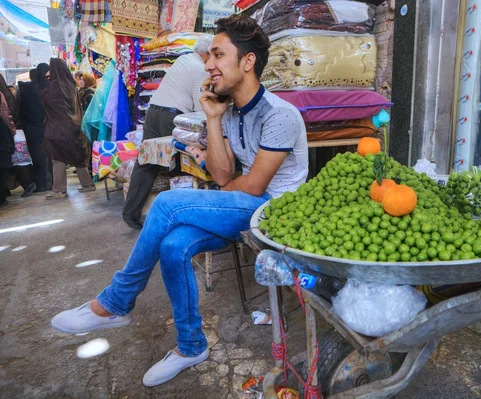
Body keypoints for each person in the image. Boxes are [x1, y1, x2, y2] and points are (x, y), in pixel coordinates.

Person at [51, 15, 308, 387]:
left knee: (168, 204)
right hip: (245, 205)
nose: (208, 65)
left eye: (218, 55)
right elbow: (222, 177)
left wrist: (231, 186)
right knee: (173, 246)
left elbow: (253, 188)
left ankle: (116, 302)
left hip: (277, 213)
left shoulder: (279, 114)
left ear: (247, 62)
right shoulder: (230, 111)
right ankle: (191, 346)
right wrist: (214, 118)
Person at [122, 34, 214, 229]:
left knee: (146, 161)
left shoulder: (183, 59)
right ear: (206, 54)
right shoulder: (201, 69)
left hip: (154, 112)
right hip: (172, 116)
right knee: (182, 163)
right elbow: (200, 108)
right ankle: (178, 216)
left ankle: (131, 214)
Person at [42, 58, 95, 199]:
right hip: (74, 127)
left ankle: (59, 190)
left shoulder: (52, 89)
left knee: (57, 158)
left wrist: (47, 81)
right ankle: (87, 184)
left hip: (57, 130)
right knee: (77, 156)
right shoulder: (71, 86)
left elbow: (46, 103)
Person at [0, 74, 36, 198]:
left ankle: (27, 184)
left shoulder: (3, 97)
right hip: (16, 132)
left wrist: (11, 132)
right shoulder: (8, 96)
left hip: (12, 133)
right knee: (17, 161)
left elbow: (7, 117)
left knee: (17, 162)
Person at [19, 67, 51, 193]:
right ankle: (49, 182)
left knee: (37, 157)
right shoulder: (47, 88)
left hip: (31, 130)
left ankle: (40, 183)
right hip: (45, 127)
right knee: (48, 157)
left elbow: (21, 109)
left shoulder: (27, 90)